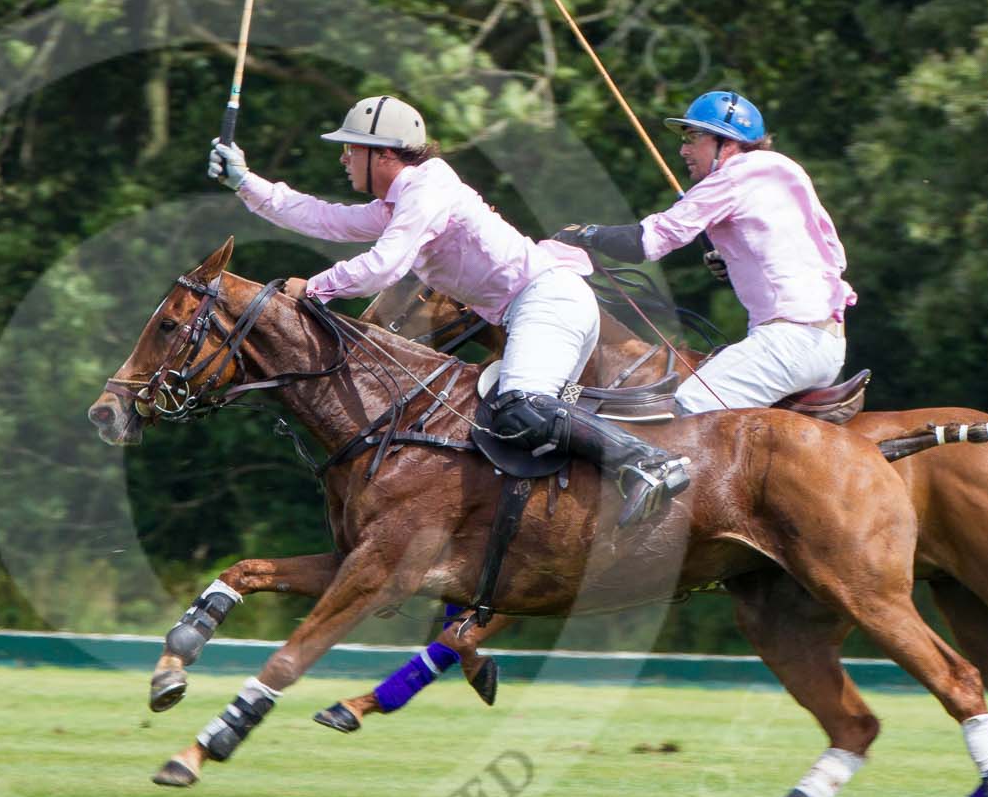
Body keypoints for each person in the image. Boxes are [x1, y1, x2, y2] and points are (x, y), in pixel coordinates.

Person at [208, 95, 689, 526]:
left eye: (350, 148)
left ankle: (650, 462)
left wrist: (314, 287)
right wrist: (245, 182)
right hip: (538, 307)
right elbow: (323, 217)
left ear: (385, 153)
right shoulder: (401, 201)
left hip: (548, 302)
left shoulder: (428, 188)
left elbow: (384, 267)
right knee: (498, 426)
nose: (343, 157)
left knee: (519, 407)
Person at [549, 90, 852, 415]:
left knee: (674, 416)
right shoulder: (783, 171)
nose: (683, 150)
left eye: (694, 137)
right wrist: (733, 258)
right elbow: (823, 252)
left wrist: (585, 235)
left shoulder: (735, 175)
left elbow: (649, 241)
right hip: (826, 344)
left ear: (728, 143)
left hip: (788, 343)